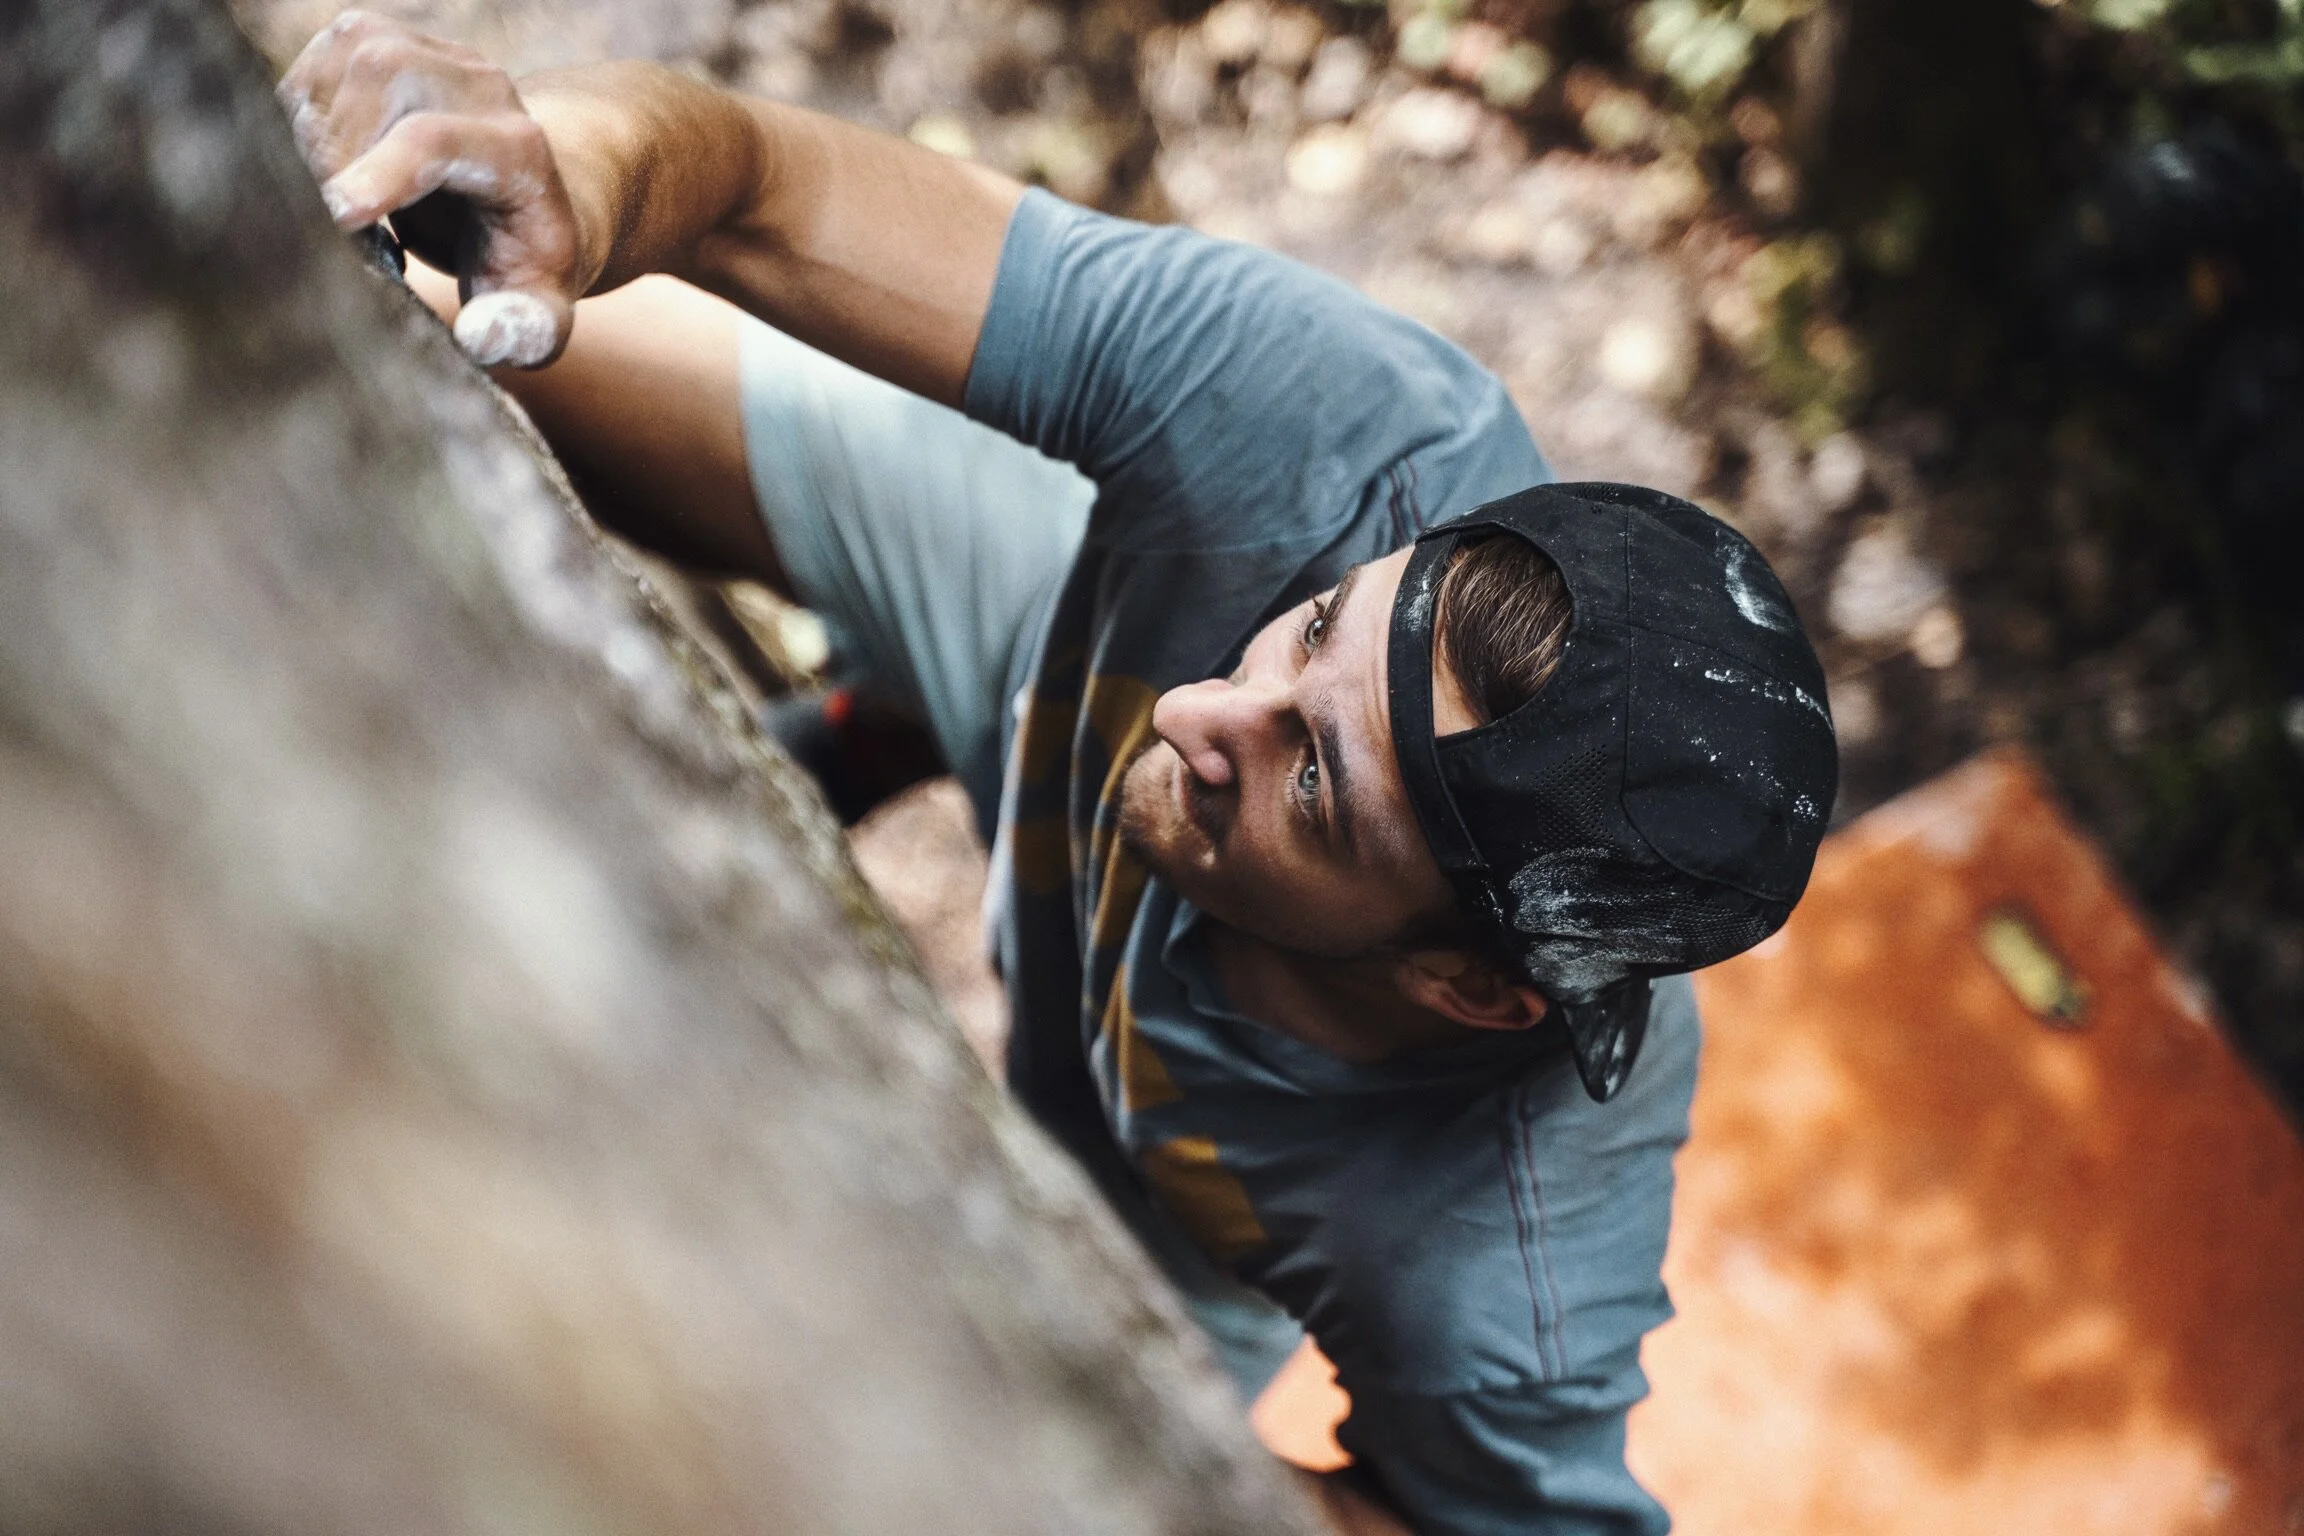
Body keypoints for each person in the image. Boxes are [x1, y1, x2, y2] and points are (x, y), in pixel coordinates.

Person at [279, 14, 1838, 1531]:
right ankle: (907, 711)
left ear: (1473, 989)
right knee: (488, 300)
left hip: (1153, 1231)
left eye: (1316, 784)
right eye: (1307, 629)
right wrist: (571, 171)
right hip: (1030, 621)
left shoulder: (1495, 1273)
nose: (1200, 718)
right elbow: (757, 185)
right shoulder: (1341, 441)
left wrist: (1067, 1431)